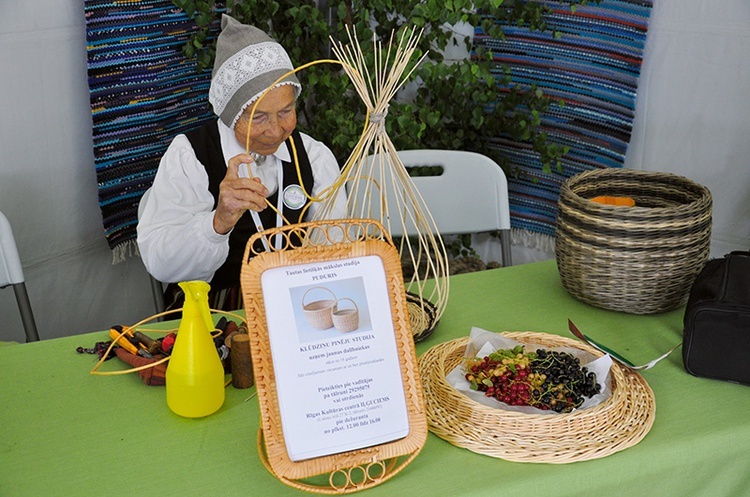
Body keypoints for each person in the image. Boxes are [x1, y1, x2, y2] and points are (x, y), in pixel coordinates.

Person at [137, 15, 347, 310]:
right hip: (214, 306)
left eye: (286, 111)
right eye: (259, 117)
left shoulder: (314, 157)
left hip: (299, 300)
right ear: (230, 113)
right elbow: (160, 262)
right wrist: (218, 221)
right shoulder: (190, 156)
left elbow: (334, 249)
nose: (276, 130)